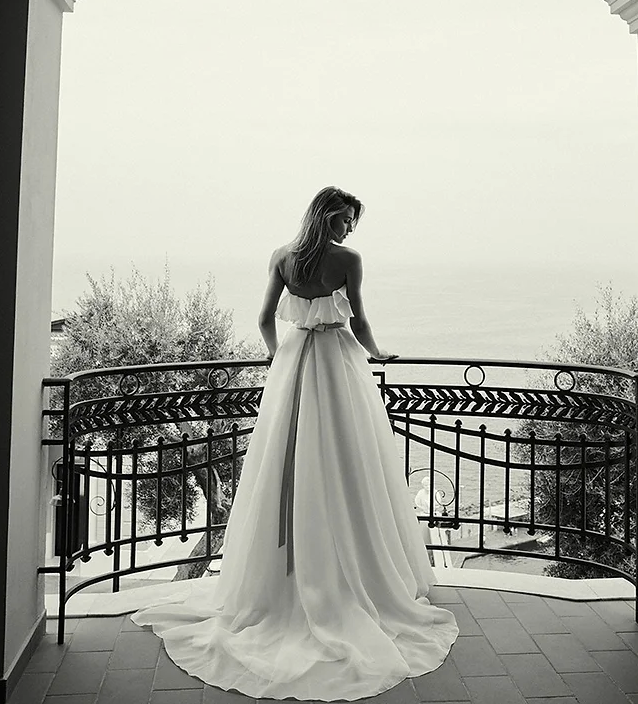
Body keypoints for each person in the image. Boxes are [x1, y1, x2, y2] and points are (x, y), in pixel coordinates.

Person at [132, 186, 458, 699]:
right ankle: (350, 569)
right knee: (347, 463)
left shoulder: (282, 257)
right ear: (330, 216)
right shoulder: (349, 260)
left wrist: (275, 359)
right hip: (337, 367)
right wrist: (378, 354)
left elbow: (265, 321)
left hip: (291, 370)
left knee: (285, 463)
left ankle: (281, 583)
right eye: (347, 219)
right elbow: (362, 321)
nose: (351, 230)